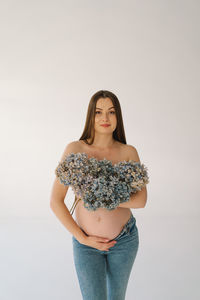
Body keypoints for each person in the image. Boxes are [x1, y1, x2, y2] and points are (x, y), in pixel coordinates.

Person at [50, 90, 149, 300]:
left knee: (116, 297)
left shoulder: (128, 151)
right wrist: (81, 238)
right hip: (86, 245)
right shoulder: (75, 149)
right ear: (90, 116)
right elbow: (55, 201)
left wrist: (104, 197)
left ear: (118, 117)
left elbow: (141, 200)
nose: (105, 118)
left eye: (111, 112)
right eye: (98, 112)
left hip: (124, 241)